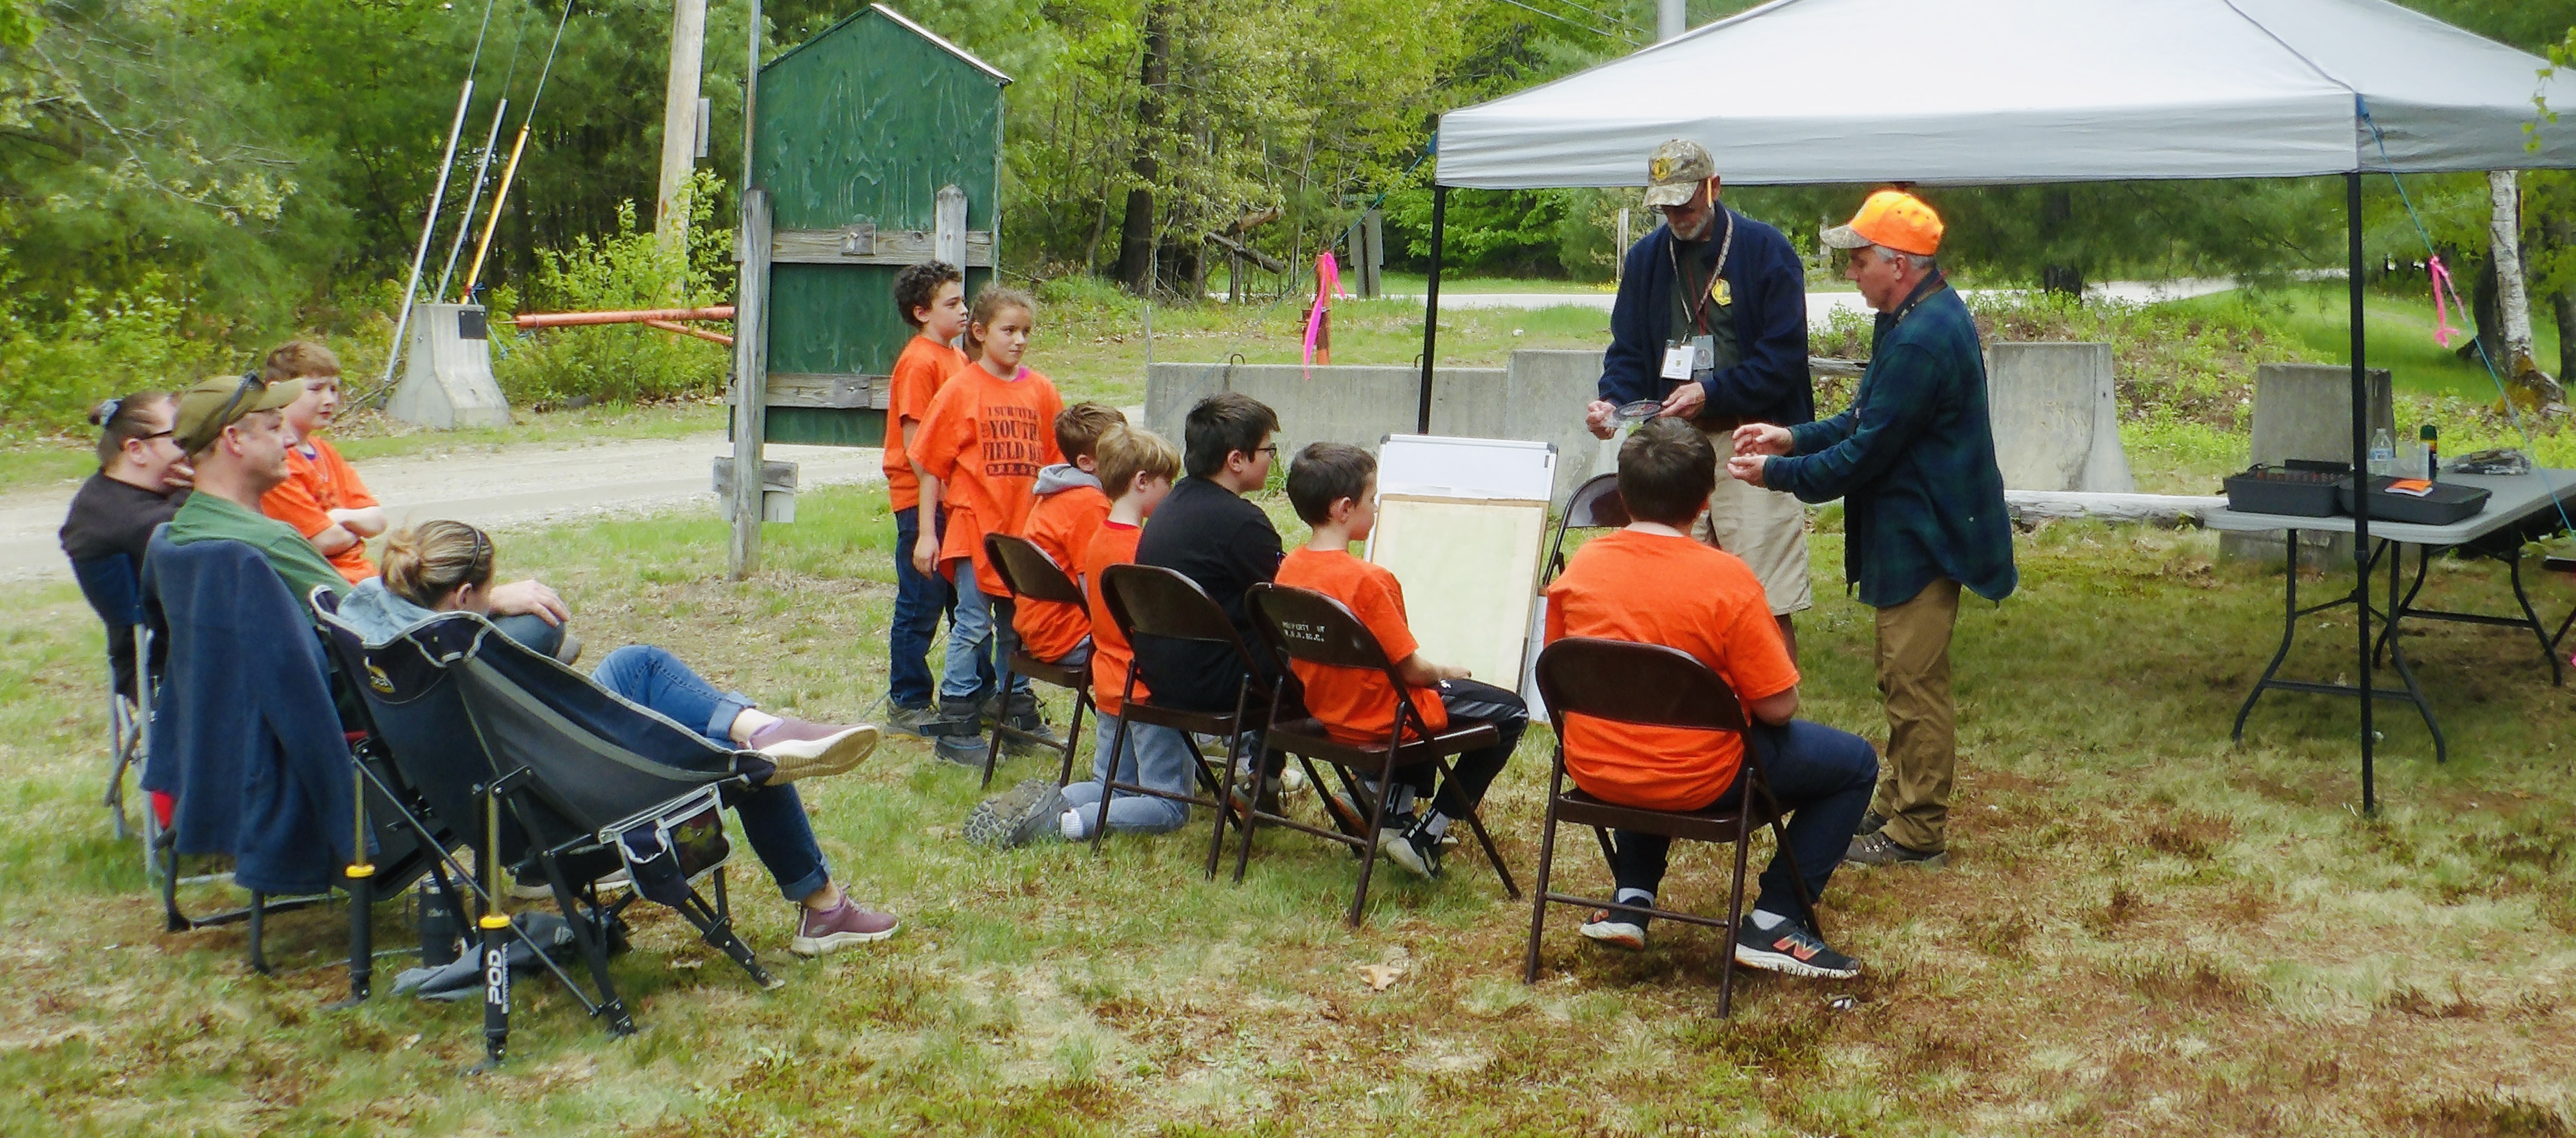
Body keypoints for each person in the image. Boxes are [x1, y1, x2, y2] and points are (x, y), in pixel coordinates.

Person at [338, 520, 899, 955]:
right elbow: (541, 634)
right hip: (565, 814)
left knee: (636, 666)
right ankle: (821, 899)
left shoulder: (388, 643)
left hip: (500, 808)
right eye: (487, 593)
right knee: (742, 762)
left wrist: (493, 600)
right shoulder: (467, 653)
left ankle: (765, 729)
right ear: (462, 597)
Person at [1726, 190, 2016, 870]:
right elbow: (1864, 416)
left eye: (1859, 261)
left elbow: (1863, 454)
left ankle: (1918, 831)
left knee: (1915, 683)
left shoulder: (1923, 338)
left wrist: (1775, 474)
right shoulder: (1907, 317)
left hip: (1928, 535)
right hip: (1907, 527)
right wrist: (1792, 436)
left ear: (1899, 264)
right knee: (1897, 675)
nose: (1851, 273)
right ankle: (1897, 798)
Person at [1546, 420, 1877, 977]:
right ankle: (1775, 919)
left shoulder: (1581, 567)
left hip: (1598, 767)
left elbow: (1559, 675)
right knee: (1856, 763)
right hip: (1701, 777)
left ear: (1622, 494)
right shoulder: (1728, 580)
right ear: (1706, 500)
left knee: (1642, 715)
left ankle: (1632, 897)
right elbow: (1778, 707)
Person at [1587, 138, 1815, 661]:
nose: (1676, 215)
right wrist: (1611, 404)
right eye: (1665, 206)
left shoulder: (1767, 251)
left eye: (1685, 202)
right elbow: (1627, 352)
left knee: (1763, 597)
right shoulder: (1646, 259)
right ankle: (1694, 698)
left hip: (1749, 441)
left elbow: (1783, 359)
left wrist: (1711, 392)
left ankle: (1772, 704)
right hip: (1673, 448)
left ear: (1715, 187)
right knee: (1676, 596)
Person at [159, 374, 574, 655]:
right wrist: (481, 604)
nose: (288, 440)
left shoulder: (182, 531)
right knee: (541, 626)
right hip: (374, 696)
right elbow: (374, 634)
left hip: (256, 711)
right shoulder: (266, 543)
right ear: (234, 440)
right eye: (272, 428)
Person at [1275, 443, 1528, 879]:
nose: (1376, 508)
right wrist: (1445, 670)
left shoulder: (1289, 570)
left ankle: (1391, 814)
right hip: (1380, 718)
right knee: (1510, 711)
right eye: (1372, 499)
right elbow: (1411, 670)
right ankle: (1428, 833)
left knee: (1426, 697)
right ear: (1345, 508)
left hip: (1328, 711)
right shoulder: (1370, 580)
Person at [966, 425, 1195, 847]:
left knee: (1111, 786)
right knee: (1170, 806)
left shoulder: (1099, 538)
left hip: (1108, 681)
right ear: (1142, 482)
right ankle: (1067, 823)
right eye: (1169, 482)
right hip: (1146, 688)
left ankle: (1043, 802)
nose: (1172, 492)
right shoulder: (1143, 550)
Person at [912, 287, 1066, 757]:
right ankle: (957, 721)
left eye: (1026, 331)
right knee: (973, 624)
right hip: (974, 528)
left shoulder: (1042, 391)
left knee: (1018, 626)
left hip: (1024, 535)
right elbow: (930, 466)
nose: (1019, 340)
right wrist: (926, 534)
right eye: (1009, 330)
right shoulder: (960, 389)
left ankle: (1014, 709)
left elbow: (1057, 467)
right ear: (979, 332)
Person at [882, 261, 974, 737]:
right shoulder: (920, 362)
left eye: (963, 300)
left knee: (965, 600)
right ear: (922, 312)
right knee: (921, 601)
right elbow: (918, 449)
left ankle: (974, 691)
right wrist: (930, 517)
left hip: (954, 501)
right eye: (952, 303)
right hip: (922, 499)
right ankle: (908, 700)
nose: (964, 310)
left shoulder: (957, 358)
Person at [59, 390, 192, 693]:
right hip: (165, 672)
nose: (193, 444)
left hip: (178, 659)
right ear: (136, 450)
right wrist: (209, 486)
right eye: (180, 435)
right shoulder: (131, 520)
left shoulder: (106, 495)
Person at [255, 342, 386, 585]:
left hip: (364, 576)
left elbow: (377, 521)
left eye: (334, 389)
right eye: (316, 389)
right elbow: (321, 540)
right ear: (278, 391)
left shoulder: (325, 451)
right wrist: (354, 528)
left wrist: (339, 516)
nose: (329, 400)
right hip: (324, 583)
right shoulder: (276, 460)